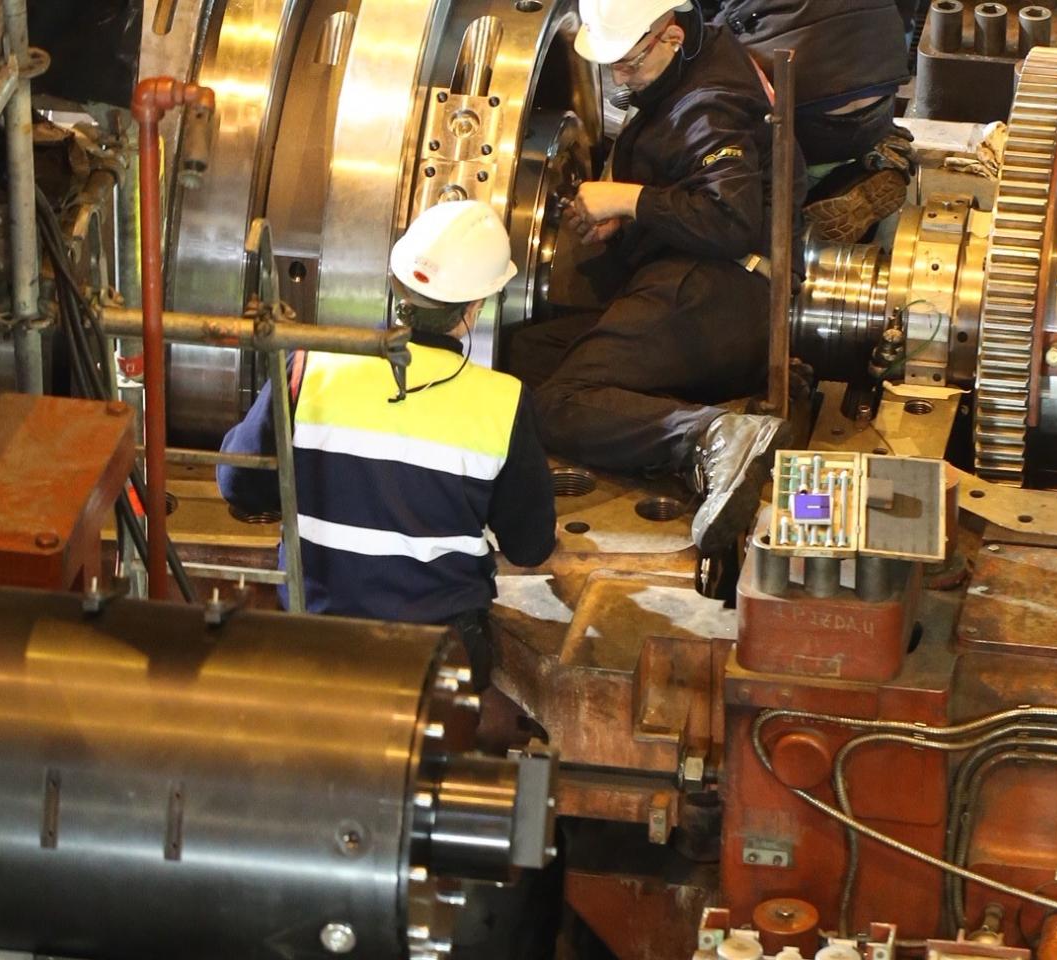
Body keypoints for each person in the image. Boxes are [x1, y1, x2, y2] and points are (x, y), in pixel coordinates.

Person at [217, 200, 556, 689]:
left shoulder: (310, 364)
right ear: (476, 306)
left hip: (315, 639)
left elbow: (236, 482)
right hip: (438, 656)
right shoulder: (504, 402)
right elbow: (530, 547)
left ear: (395, 285)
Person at [514, 0, 798, 558]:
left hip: (722, 292)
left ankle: (715, 437)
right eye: (611, 65)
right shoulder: (696, 52)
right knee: (522, 359)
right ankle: (670, 414)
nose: (620, 78)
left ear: (668, 36)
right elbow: (688, 179)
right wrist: (628, 221)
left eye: (630, 63)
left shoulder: (708, 103)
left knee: (559, 403)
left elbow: (731, 220)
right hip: (688, 273)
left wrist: (628, 198)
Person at [711, 0, 915, 243]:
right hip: (880, 96)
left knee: (713, 108)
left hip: (811, 114)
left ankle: (810, 199)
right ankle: (862, 162)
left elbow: (709, 35)